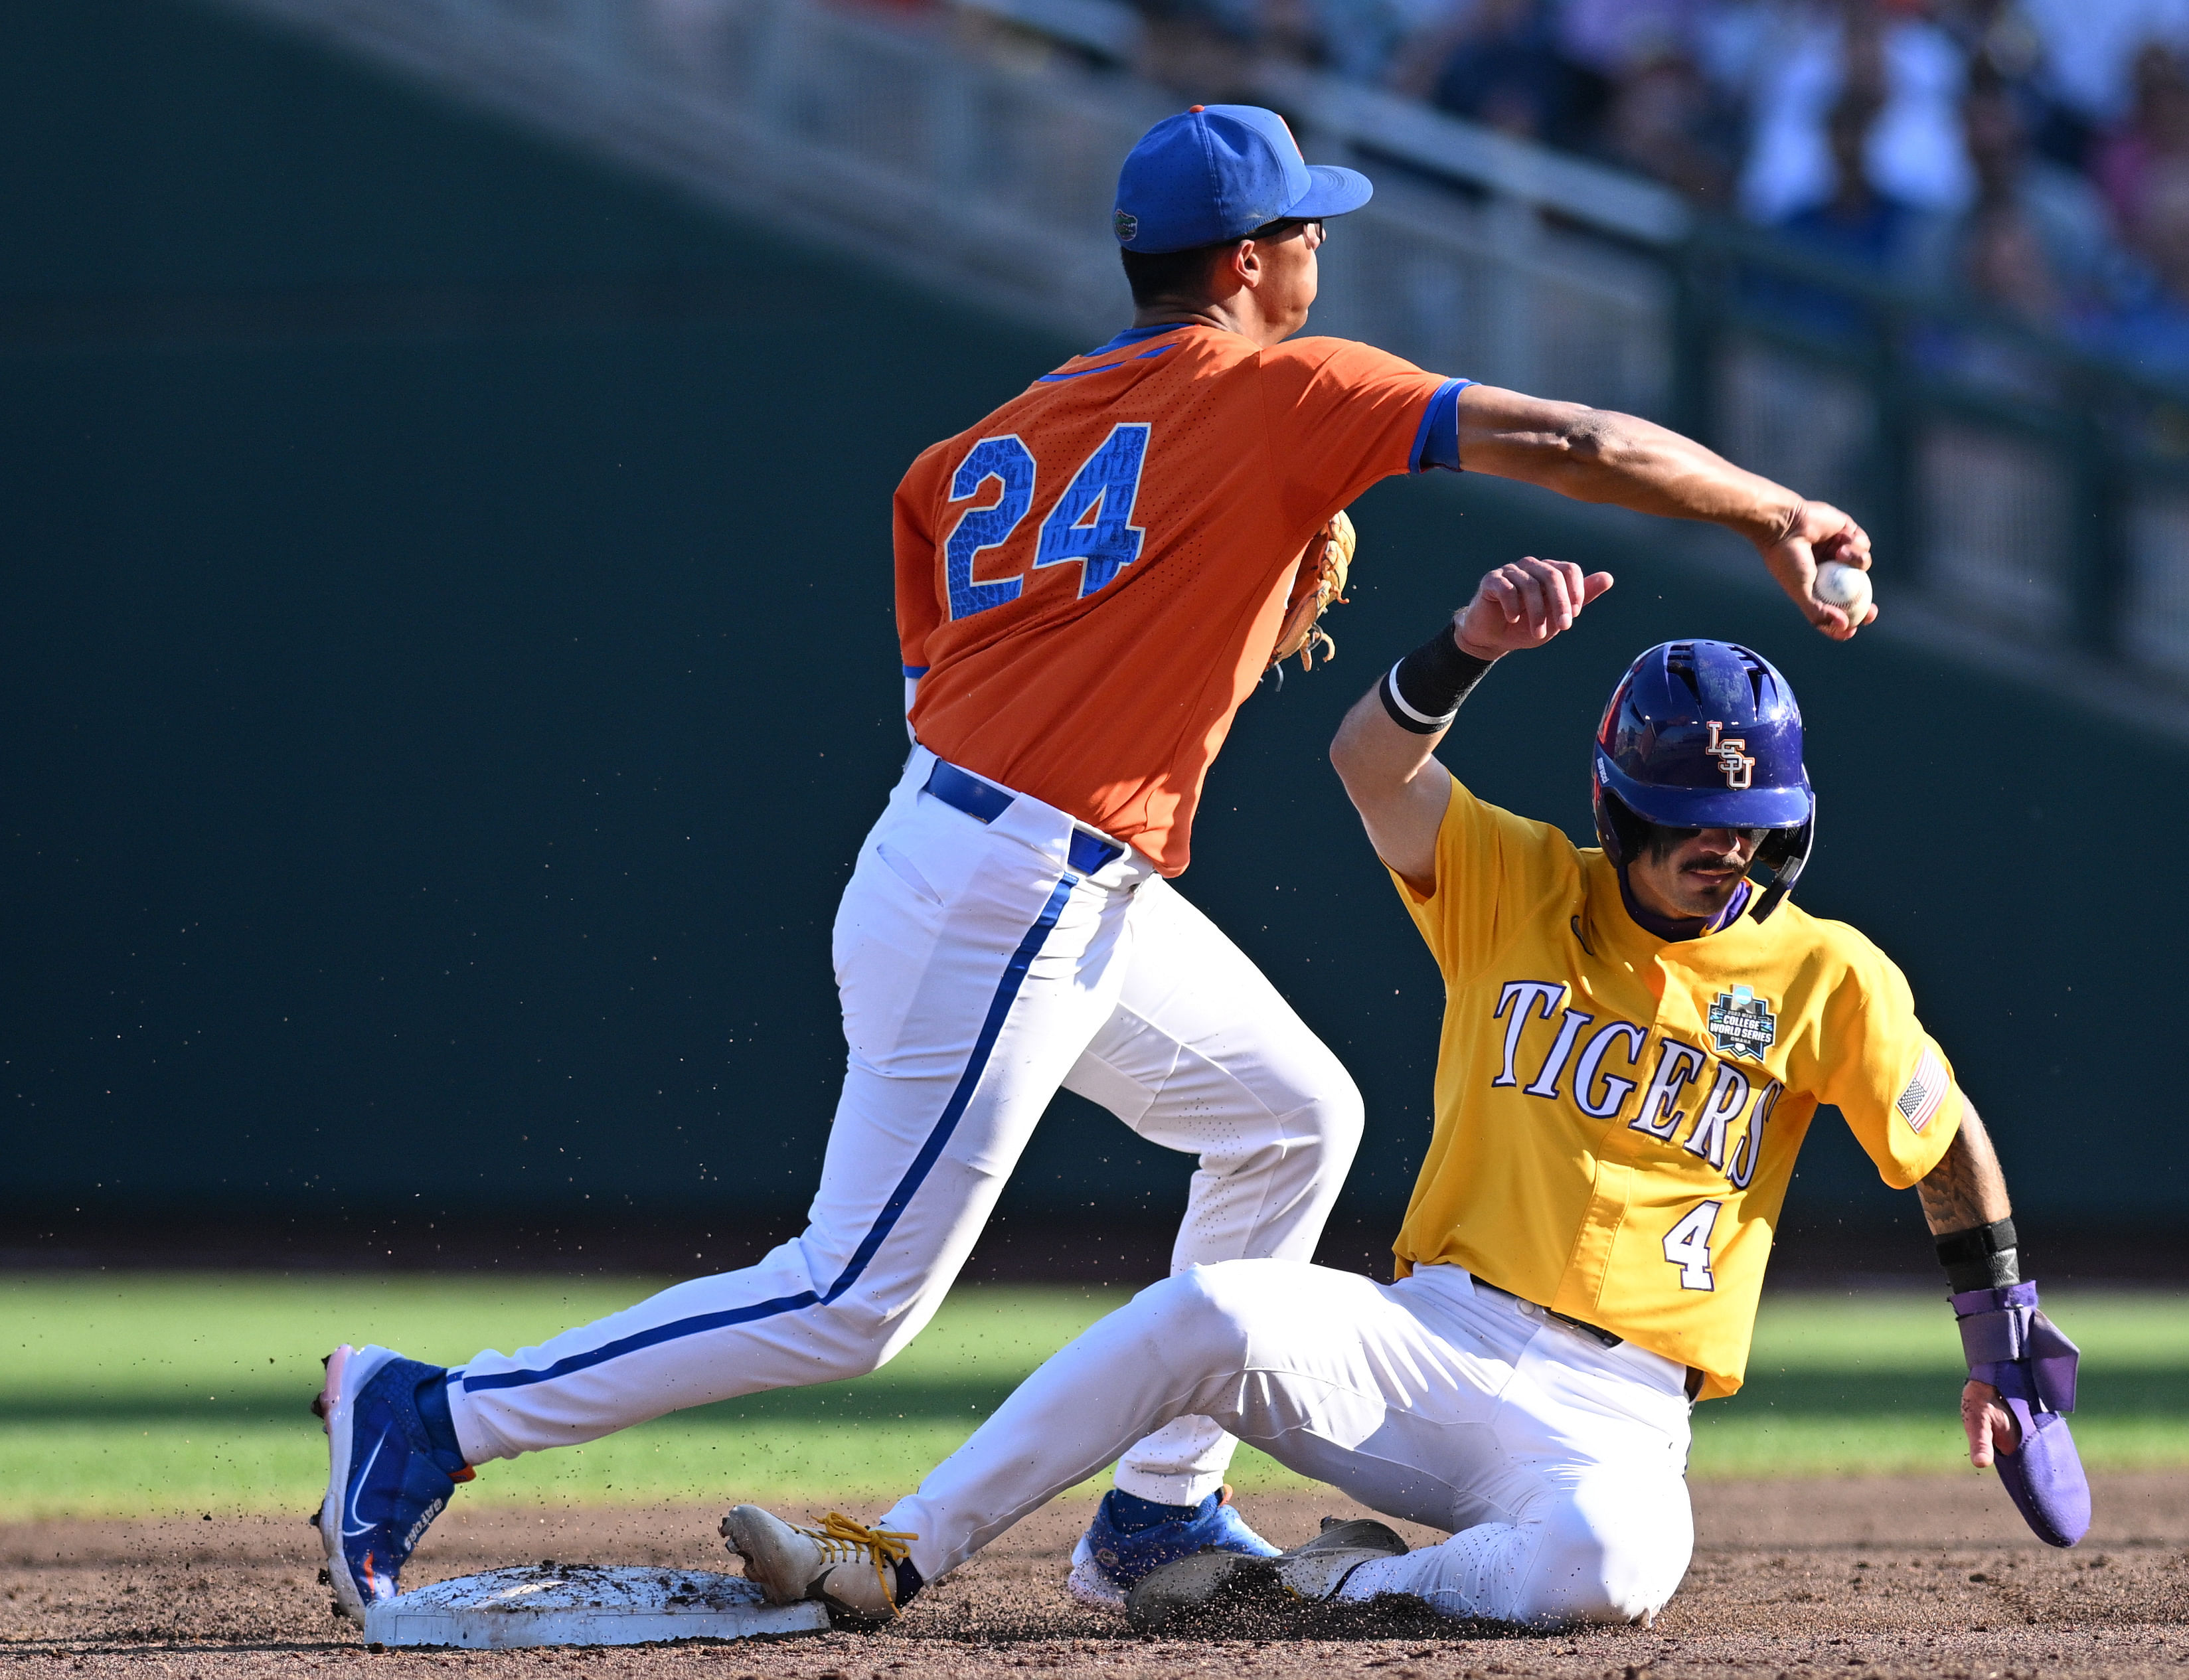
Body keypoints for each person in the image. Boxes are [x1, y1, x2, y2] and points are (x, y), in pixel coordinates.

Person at [311, 104, 1879, 1622]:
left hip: (1003, 852)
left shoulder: (982, 450)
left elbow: (1007, 689)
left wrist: (1254, 605)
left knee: (1292, 1116)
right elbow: (1573, 438)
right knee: (851, 1294)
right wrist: (1770, 508)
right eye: (1305, 225)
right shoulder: (1275, 388)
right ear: (1255, 257)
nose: (1320, 245)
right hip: (1016, 887)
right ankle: (438, 1414)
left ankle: (1154, 1507)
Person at [716, 556, 2087, 1634]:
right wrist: (1468, 647)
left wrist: (2001, 1328)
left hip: (1618, 1416)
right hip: (1429, 1342)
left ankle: (1315, 1593)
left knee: (1612, 1565)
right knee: (1207, 1306)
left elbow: (1941, 1134)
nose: (1722, 849)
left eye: (1751, 825)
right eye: (1688, 820)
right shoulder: (1518, 881)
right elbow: (1368, 764)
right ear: (1619, 810)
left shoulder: (1821, 971)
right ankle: (894, 1549)